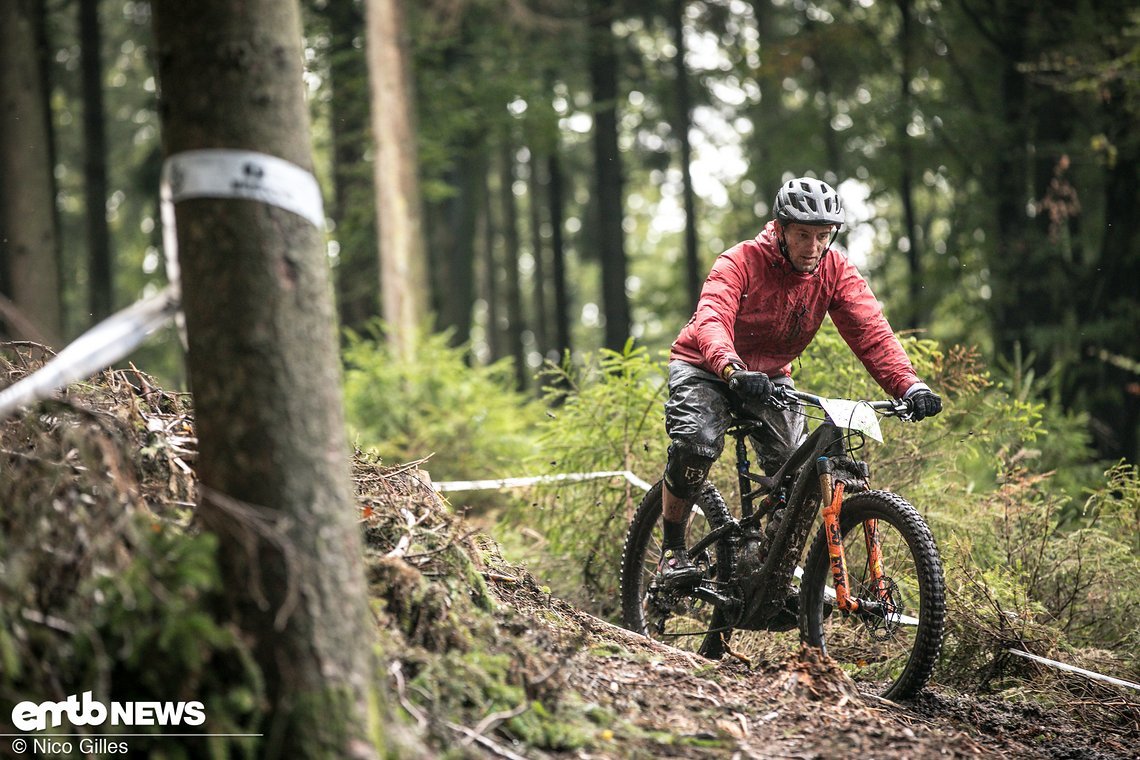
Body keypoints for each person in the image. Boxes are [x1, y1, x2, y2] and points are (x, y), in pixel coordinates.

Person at [657, 176, 943, 587]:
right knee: (696, 443)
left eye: (823, 236)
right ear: (780, 229)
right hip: (705, 365)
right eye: (803, 235)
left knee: (796, 474)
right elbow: (712, 320)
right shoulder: (739, 261)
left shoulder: (835, 270)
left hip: (770, 379)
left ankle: (766, 571)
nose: (813, 248)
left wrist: (909, 386)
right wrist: (731, 368)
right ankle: (672, 551)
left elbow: (871, 332)